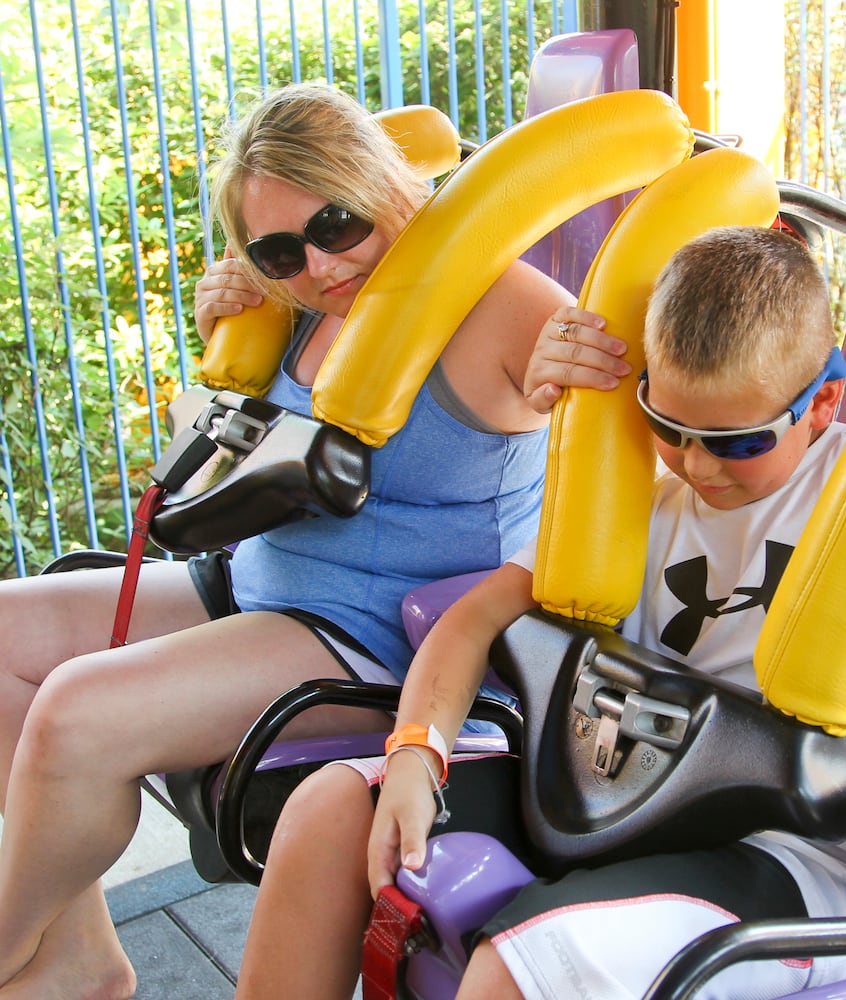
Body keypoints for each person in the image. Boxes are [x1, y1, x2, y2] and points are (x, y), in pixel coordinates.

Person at [234, 226, 846, 999]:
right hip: (617, 791)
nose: (697, 464)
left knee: (518, 973)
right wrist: (414, 754)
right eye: (667, 426)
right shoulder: (646, 502)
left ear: (823, 403)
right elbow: (475, 617)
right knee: (326, 812)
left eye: (736, 441)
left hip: (802, 863)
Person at [0, 82, 572, 999]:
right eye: (276, 248)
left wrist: (577, 367)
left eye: (336, 224)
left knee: (77, 711)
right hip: (257, 577)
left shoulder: (500, 303)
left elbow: (660, 435)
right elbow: (244, 455)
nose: (317, 265)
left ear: (385, 185)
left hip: (376, 634)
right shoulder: (294, 300)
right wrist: (225, 332)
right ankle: (73, 958)